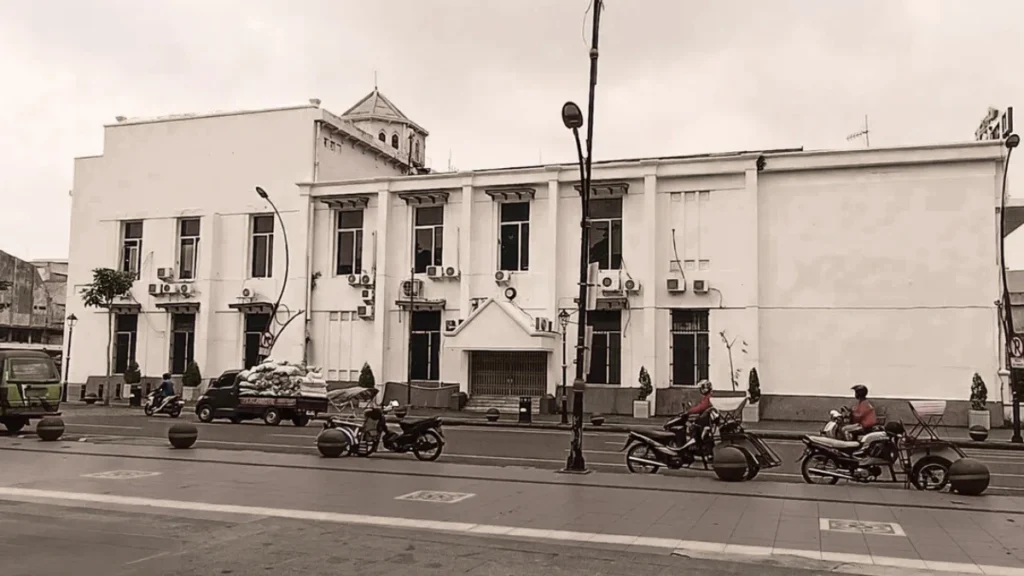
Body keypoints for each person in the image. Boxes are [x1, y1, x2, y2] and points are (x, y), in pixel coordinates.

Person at [683, 379, 714, 447]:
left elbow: (701, 407)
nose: (700, 390)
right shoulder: (708, 396)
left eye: (702, 388)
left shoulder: (708, 397)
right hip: (706, 417)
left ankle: (696, 444)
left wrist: (689, 411)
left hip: (706, 419)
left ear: (706, 388)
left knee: (694, 426)